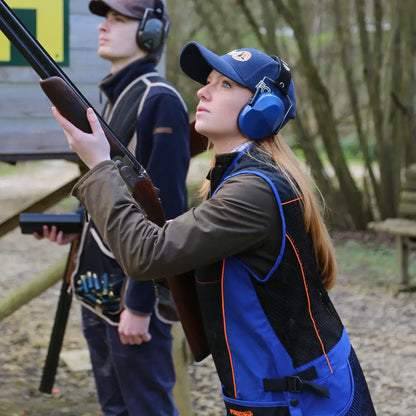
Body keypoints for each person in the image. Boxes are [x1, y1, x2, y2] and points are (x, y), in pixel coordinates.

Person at [51, 41, 377, 416]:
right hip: (269, 392)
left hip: (303, 399)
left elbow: (147, 254)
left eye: (224, 84)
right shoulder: (237, 178)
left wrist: (99, 166)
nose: (202, 91)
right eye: (208, 81)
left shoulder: (253, 189)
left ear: (263, 107)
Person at [35, 1, 190, 415]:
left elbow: (167, 215)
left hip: (131, 301)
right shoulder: (113, 99)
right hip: (97, 293)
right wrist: (75, 227)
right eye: (106, 18)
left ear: (150, 33)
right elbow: (117, 197)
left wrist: (140, 305)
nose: (104, 27)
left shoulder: (160, 101)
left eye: (119, 19)